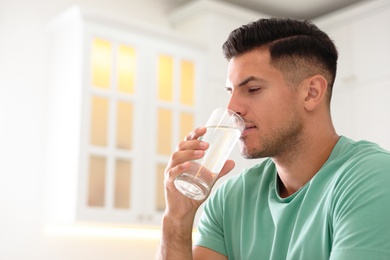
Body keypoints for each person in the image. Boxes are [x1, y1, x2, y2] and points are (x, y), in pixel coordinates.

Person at [156, 17, 390, 259]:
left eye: (253, 89)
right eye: (230, 91)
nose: (232, 107)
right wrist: (176, 218)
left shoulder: (373, 178)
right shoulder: (231, 198)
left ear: (311, 93)